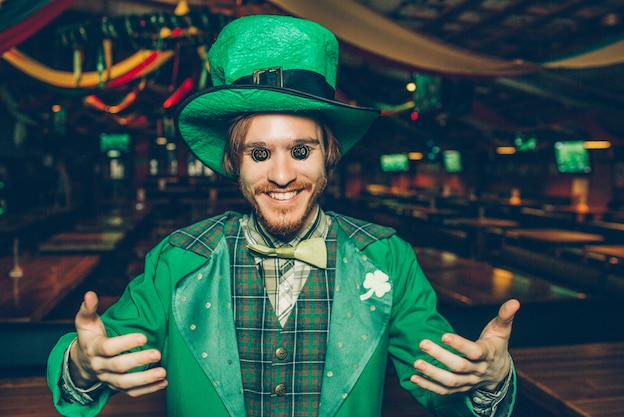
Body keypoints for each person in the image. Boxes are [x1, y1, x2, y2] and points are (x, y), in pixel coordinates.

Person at [47, 14, 520, 417]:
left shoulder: (387, 258)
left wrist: (488, 379)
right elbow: (100, 357)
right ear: (234, 163)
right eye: (258, 152)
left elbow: (447, 380)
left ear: (328, 154)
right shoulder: (177, 259)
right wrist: (81, 364)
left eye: (299, 150)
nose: (280, 175)